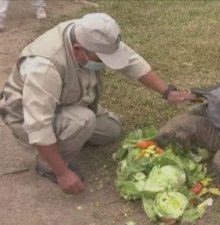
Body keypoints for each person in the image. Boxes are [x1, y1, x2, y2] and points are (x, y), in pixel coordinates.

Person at [0, 13, 193, 194]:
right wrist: (62, 173)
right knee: (84, 120)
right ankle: (47, 164)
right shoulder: (44, 68)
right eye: (101, 59)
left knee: (111, 130)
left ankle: (68, 136)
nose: (106, 64)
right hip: (25, 116)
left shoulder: (94, 34)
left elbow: (131, 62)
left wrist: (167, 92)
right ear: (78, 50)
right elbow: (38, 126)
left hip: (64, 104)